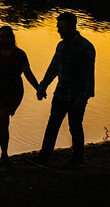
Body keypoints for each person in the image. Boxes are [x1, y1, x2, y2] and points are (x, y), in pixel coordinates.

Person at [31, 11, 96, 168]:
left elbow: (87, 78)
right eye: (58, 27)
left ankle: (77, 158)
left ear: (72, 26)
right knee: (52, 125)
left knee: (75, 126)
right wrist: (42, 86)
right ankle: (44, 157)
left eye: (62, 28)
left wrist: (80, 100)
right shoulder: (61, 46)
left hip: (77, 96)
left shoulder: (86, 47)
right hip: (61, 93)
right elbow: (53, 68)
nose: (59, 30)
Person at [0, 25, 41, 165]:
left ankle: (3, 154)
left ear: (11, 38)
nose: (3, 39)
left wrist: (38, 88)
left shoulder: (19, 54)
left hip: (14, 89)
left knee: (1, 117)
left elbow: (28, 73)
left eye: (5, 36)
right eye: (1, 36)